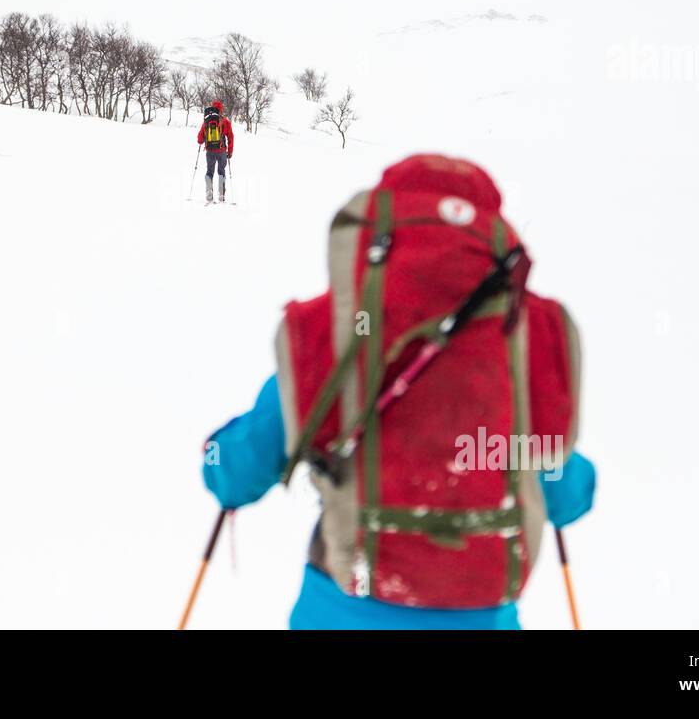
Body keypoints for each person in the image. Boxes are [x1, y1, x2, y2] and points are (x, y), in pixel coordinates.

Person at [201, 154, 596, 629]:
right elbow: (567, 489)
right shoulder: (519, 341)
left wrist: (217, 459)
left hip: (340, 612)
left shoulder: (340, 332)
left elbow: (238, 468)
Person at [197, 101, 234, 203]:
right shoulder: (225, 122)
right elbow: (230, 137)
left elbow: (200, 139)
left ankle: (209, 194)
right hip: (222, 151)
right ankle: (221, 195)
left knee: (209, 171)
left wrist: (203, 140)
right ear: (221, 109)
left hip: (210, 151)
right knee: (221, 172)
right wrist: (230, 151)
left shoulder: (206, 121)